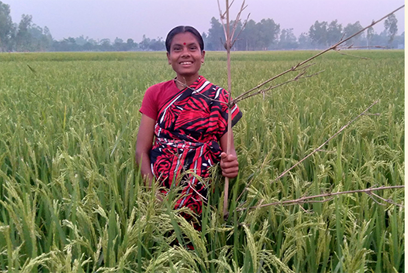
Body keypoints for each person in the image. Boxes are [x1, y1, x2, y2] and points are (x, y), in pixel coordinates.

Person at [135, 25, 242, 223]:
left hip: (204, 190)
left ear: (202, 55)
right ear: (169, 57)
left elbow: (230, 151)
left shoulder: (220, 97)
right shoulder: (154, 93)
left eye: (192, 48)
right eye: (177, 49)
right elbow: (141, 150)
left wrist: (231, 165)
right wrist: (153, 192)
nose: (185, 54)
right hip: (162, 189)